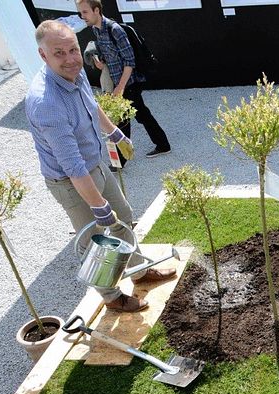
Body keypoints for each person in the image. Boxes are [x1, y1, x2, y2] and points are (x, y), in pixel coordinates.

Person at [25, 20, 175, 312]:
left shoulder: (75, 73)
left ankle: (140, 271)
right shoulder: (46, 104)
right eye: (59, 53)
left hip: (95, 164)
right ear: (43, 55)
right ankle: (111, 296)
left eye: (73, 50)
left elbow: (92, 106)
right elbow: (72, 166)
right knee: (95, 240)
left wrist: (114, 133)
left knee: (125, 216)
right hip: (71, 181)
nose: (70, 59)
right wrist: (99, 206)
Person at [76, 0, 171, 160]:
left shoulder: (115, 30)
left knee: (123, 120)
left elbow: (130, 61)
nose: (82, 16)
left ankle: (120, 160)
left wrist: (120, 88)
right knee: (140, 116)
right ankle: (162, 145)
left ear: (96, 10)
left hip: (129, 84)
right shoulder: (96, 30)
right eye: (80, 13)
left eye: (84, 12)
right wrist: (101, 63)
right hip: (118, 84)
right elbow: (111, 56)